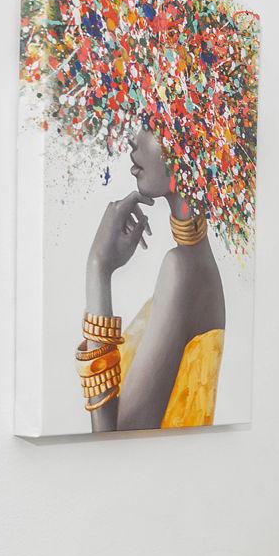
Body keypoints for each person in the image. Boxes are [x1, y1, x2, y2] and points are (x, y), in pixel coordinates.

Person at [75, 126, 227, 431]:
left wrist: (98, 269)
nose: (132, 138)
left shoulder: (184, 270)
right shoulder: (193, 264)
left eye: (150, 122)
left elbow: (111, 442)